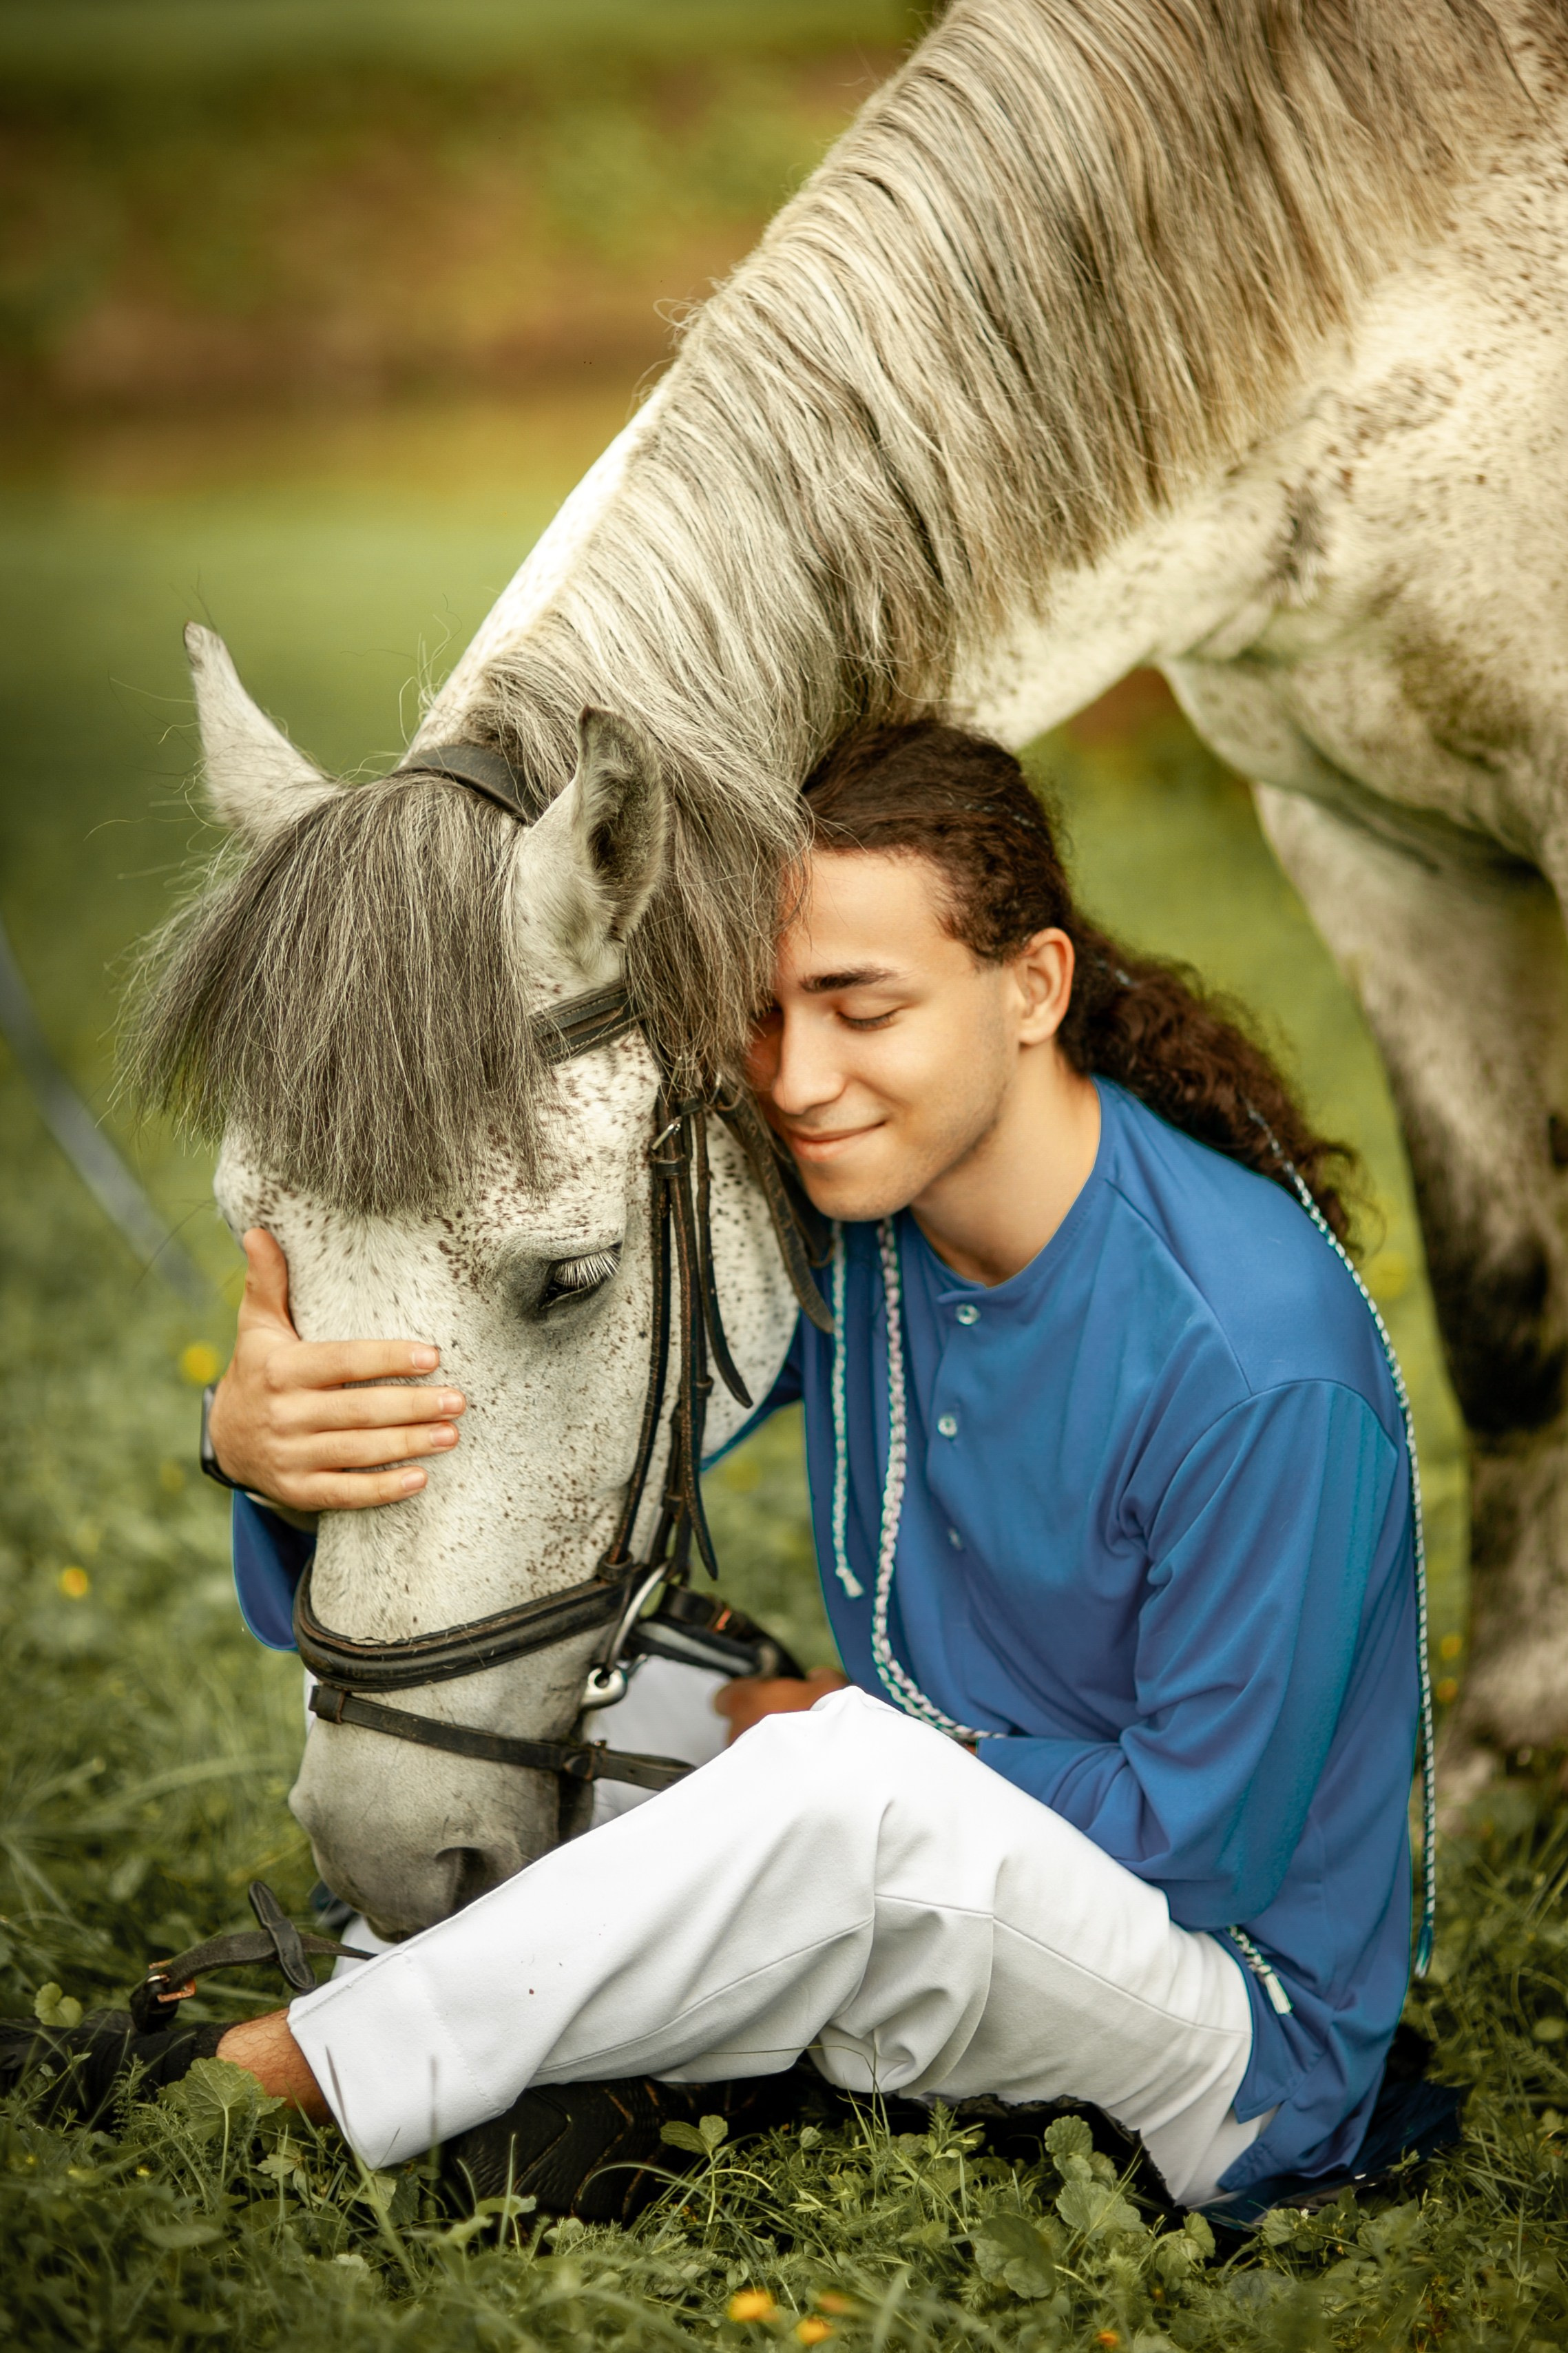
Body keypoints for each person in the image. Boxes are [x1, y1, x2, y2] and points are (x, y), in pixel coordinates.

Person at [57, 723, 1431, 2211]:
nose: (795, 1077)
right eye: (765, 1016)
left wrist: (904, 1747)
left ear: (1031, 984)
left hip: (1225, 2041)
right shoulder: (863, 1229)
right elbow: (554, 1442)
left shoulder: (1255, 1360)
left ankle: (260, 2073)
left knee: (831, 1787)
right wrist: (265, 1449)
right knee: (577, 1668)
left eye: (859, 1006)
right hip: (939, 1849)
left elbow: (1202, 1843)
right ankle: (561, 2077)